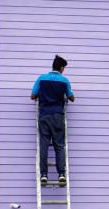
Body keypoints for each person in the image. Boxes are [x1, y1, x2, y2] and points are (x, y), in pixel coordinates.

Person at [31, 55, 74, 186]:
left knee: (44, 145)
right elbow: (71, 97)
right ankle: (61, 174)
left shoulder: (41, 78)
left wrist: (43, 95)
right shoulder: (64, 80)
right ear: (61, 68)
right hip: (57, 116)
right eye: (64, 68)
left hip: (44, 115)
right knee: (59, 145)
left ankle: (44, 175)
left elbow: (33, 96)